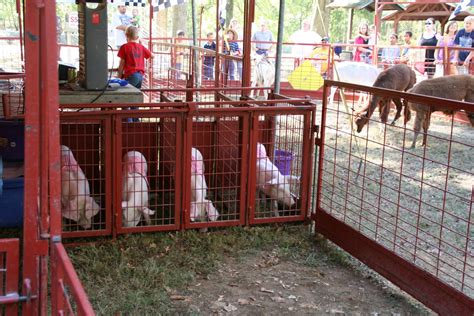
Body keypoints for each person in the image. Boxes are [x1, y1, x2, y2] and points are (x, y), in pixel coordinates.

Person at [117, 25, 152, 122]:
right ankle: (136, 123)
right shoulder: (141, 47)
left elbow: (121, 64)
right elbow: (151, 56)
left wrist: (119, 77)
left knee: (124, 98)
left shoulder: (124, 47)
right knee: (135, 97)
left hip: (131, 75)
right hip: (140, 76)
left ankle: (128, 122)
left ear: (126, 35)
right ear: (137, 37)